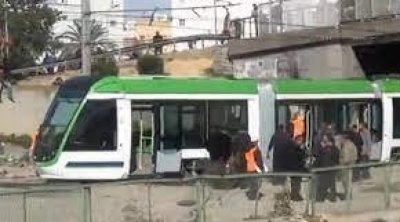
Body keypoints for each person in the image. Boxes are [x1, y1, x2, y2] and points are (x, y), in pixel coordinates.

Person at [314, 134, 339, 202]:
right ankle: (320, 198)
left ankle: (332, 197)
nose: (325, 141)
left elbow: (336, 157)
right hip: (323, 169)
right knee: (322, 185)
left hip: (330, 169)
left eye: (326, 140)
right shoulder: (322, 149)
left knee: (330, 185)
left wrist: (330, 147)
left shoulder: (333, 149)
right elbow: (318, 157)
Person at [240, 133, 264, 200]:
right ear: (255, 142)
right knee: (255, 184)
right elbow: (257, 161)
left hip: (249, 169)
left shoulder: (248, 149)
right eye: (257, 141)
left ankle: (252, 196)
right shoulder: (255, 150)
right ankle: (253, 197)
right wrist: (260, 169)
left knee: (252, 184)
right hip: (255, 169)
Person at [338, 132, 358, 200]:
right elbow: (355, 155)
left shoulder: (346, 146)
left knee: (346, 182)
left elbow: (345, 157)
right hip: (351, 165)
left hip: (346, 166)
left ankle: (348, 196)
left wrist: (341, 162)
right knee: (349, 181)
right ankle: (349, 195)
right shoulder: (352, 145)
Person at [287, 135, 307, 201]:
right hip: (296, 168)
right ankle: (295, 196)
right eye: (300, 141)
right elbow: (301, 156)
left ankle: (294, 195)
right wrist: (303, 150)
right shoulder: (297, 148)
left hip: (293, 168)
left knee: (295, 183)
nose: (301, 142)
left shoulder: (291, 147)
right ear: (297, 141)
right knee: (296, 183)